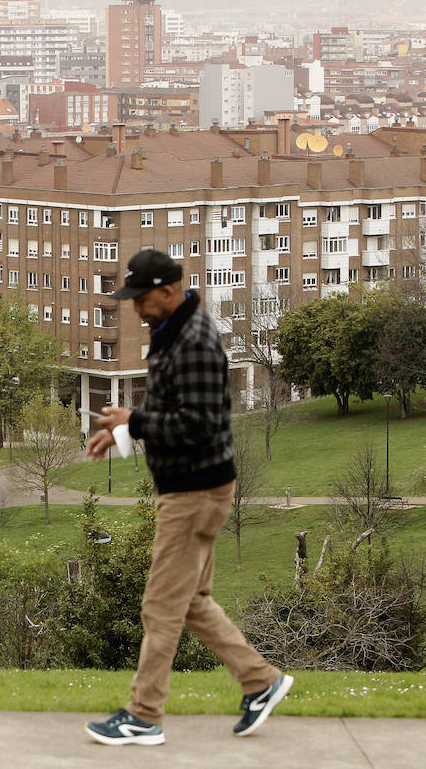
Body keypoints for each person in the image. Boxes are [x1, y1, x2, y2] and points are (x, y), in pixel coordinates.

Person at [82, 249, 293, 747]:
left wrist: (134, 423)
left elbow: (198, 427)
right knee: (192, 601)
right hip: (192, 487)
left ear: (169, 291)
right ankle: (261, 681)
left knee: (159, 607)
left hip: (194, 492)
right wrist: (127, 432)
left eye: (141, 297)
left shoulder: (195, 342)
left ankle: (144, 714)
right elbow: (172, 411)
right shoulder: (172, 333)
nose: (134, 307)